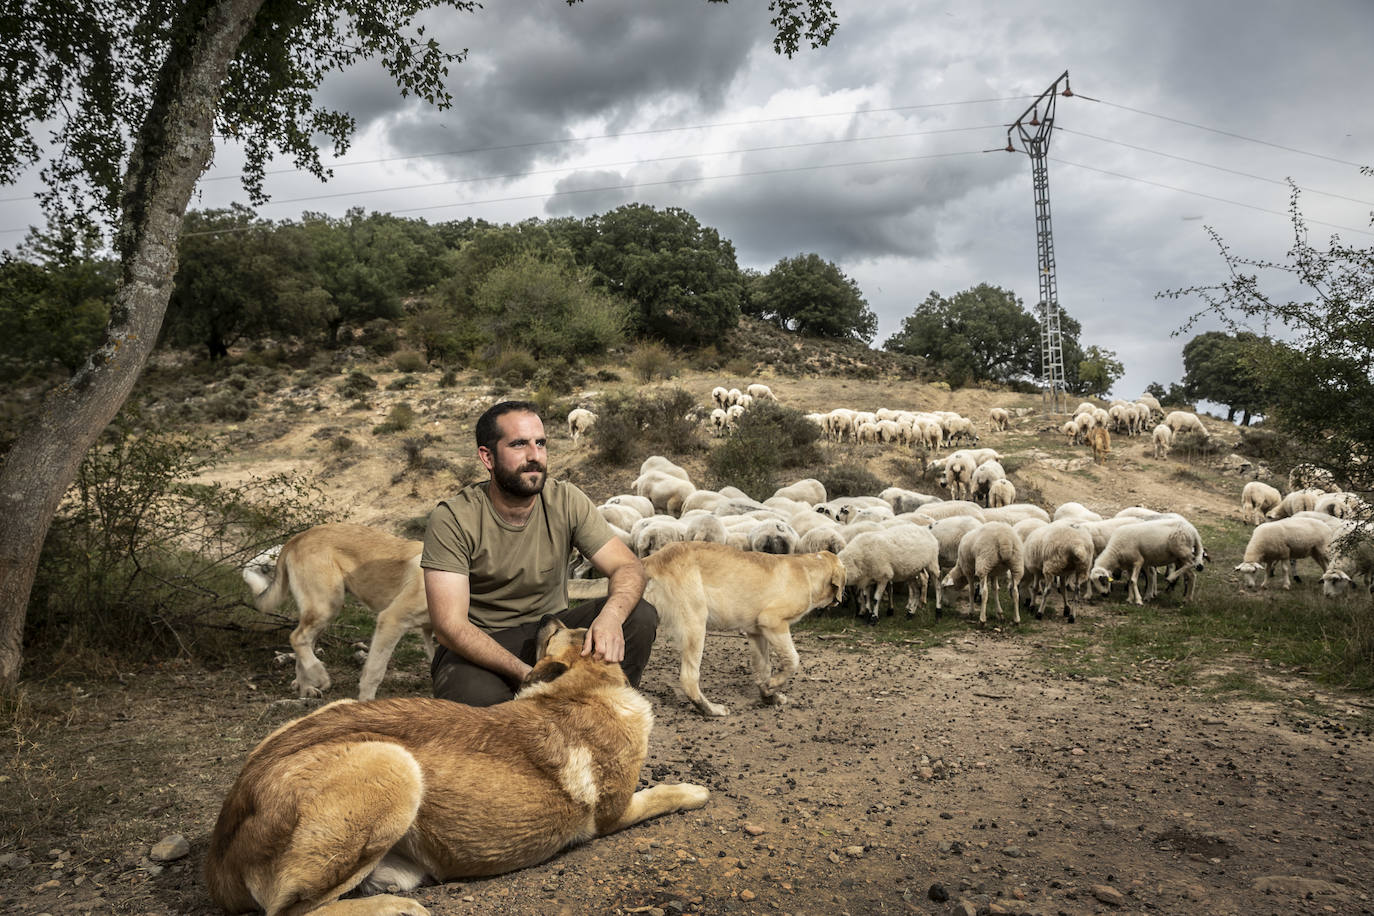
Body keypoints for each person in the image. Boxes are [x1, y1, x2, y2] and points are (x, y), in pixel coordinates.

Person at [421, 400, 657, 705]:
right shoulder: (453, 518)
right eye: (519, 444)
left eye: (541, 443)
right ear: (487, 457)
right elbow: (450, 627)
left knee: (639, 616)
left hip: (552, 629)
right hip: (482, 643)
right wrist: (531, 675)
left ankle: (603, 713)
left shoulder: (566, 500)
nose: (535, 456)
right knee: (483, 707)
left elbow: (628, 567)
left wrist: (611, 617)